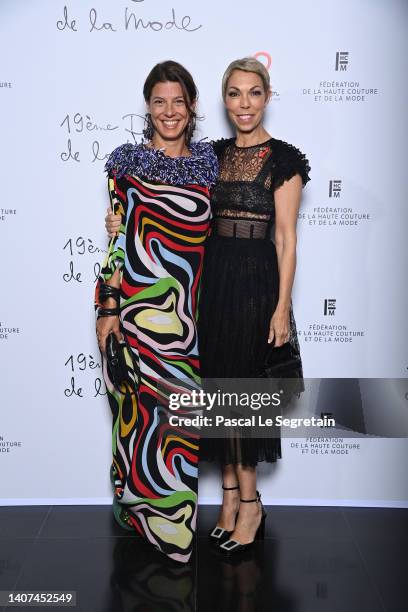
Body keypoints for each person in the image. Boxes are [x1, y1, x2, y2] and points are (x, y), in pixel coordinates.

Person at [105, 57, 310, 558]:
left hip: (256, 286)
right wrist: (121, 224)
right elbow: (163, 199)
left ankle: (251, 505)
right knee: (217, 400)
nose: (244, 103)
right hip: (211, 289)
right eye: (235, 94)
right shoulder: (209, 157)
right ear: (222, 101)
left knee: (243, 401)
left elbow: (287, 240)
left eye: (254, 93)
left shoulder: (284, 160)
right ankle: (228, 503)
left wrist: (282, 307)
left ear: (267, 97)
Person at [95, 60, 218, 563]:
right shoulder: (127, 166)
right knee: (138, 421)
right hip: (136, 313)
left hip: (191, 320)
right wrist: (106, 310)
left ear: (192, 107)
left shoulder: (213, 166)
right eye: (159, 101)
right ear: (148, 106)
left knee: (180, 426)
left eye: (178, 101)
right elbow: (117, 246)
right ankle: (141, 513)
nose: (169, 111)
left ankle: (174, 526)